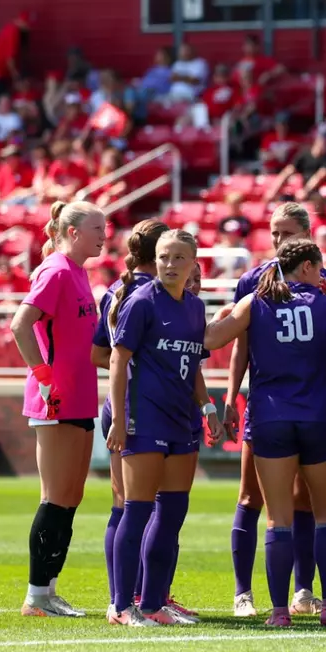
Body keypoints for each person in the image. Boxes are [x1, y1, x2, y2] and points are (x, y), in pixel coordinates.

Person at [205, 239, 326, 627]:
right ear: (307, 267)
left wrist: (210, 315)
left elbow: (211, 339)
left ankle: (280, 612)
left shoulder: (255, 301)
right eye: (319, 267)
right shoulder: (325, 304)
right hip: (318, 418)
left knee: (278, 520)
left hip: (270, 419)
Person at [107, 230, 223, 627]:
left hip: (182, 421)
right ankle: (122, 606)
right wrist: (119, 419)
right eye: (163, 257)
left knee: (172, 513)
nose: (170, 264)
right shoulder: (141, 302)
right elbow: (117, 361)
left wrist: (207, 407)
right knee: (137, 510)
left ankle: (154, 604)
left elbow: (193, 366)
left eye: (178, 258)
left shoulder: (195, 307)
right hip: (145, 419)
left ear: (194, 263)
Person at [9, 201, 107, 618]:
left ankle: (48, 591)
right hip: (56, 399)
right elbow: (20, 324)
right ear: (72, 232)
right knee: (55, 497)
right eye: (96, 228)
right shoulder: (56, 270)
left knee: (71, 496)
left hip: (81, 395)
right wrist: (43, 374)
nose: (104, 235)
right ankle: (36, 596)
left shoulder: (79, 272)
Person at [91, 219, 165, 618]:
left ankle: (129, 595)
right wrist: (145, 370)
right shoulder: (152, 294)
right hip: (142, 408)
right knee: (140, 507)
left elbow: (99, 354)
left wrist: (129, 367)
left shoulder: (114, 292)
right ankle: (135, 597)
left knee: (125, 505)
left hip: (119, 404)